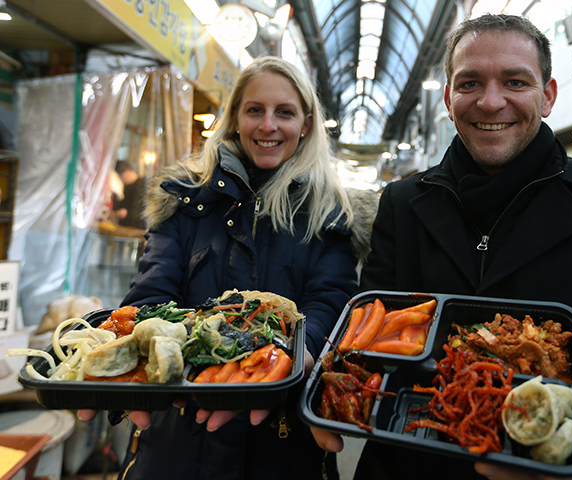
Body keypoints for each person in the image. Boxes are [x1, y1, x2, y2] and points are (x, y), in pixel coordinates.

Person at [311, 13, 572, 480]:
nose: (491, 101)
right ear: (451, 102)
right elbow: (368, 339)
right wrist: (329, 384)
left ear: (549, 96)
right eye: (469, 82)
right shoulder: (403, 203)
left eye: (515, 81)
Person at [79, 56, 378, 480]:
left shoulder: (330, 215)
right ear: (235, 116)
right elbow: (152, 293)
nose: (268, 125)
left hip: (281, 429)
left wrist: (291, 358)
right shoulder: (185, 202)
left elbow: (329, 301)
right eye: (254, 110)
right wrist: (138, 355)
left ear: (307, 124)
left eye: (285, 112)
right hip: (180, 424)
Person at [112, 160, 147, 230]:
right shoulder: (122, 188)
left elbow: (145, 211)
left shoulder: (143, 185)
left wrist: (127, 214)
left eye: (121, 176)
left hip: (138, 231)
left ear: (129, 170)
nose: (121, 179)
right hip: (123, 229)